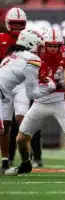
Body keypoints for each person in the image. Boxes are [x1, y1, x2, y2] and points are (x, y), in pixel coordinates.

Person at [5, 28, 65, 176]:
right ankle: (25, 164)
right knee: (21, 139)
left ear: (61, 45)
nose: (52, 48)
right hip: (40, 101)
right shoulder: (35, 53)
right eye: (49, 45)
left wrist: (55, 84)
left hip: (60, 100)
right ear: (43, 45)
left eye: (56, 45)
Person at [0, 28, 55, 175]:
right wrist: (49, 87)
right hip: (3, 94)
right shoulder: (32, 58)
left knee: (9, 126)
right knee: (6, 127)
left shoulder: (12, 54)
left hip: (6, 93)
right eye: (39, 45)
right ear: (31, 43)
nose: (41, 49)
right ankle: (19, 161)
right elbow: (32, 93)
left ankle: (23, 161)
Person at [0, 7, 28, 173]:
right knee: (4, 124)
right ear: (7, 24)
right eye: (14, 24)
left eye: (20, 24)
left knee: (22, 120)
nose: (17, 28)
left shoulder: (29, 39)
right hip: (5, 85)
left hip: (22, 84)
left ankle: (26, 158)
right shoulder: (1, 38)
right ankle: (5, 160)